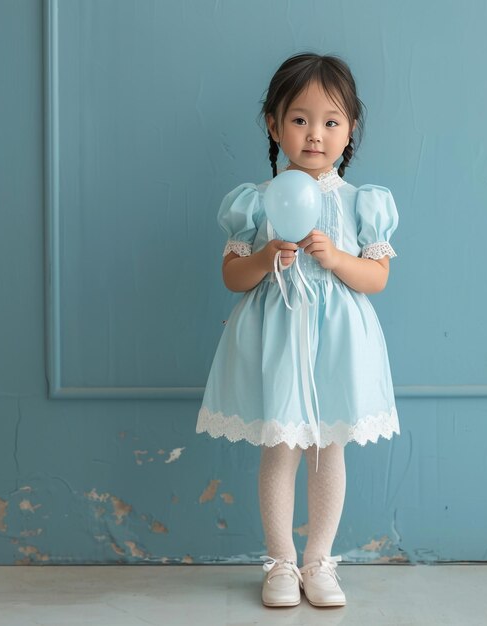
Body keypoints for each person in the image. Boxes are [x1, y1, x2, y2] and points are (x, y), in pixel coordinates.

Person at [196, 52, 400, 608]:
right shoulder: (256, 202)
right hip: (279, 336)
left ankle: (320, 562)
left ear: (350, 128)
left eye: (331, 121)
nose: (316, 134)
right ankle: (281, 561)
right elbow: (233, 276)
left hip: (337, 340)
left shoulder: (363, 203)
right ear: (274, 124)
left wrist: (335, 258)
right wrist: (265, 257)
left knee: (328, 448)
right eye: (300, 119)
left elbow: (377, 277)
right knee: (281, 446)